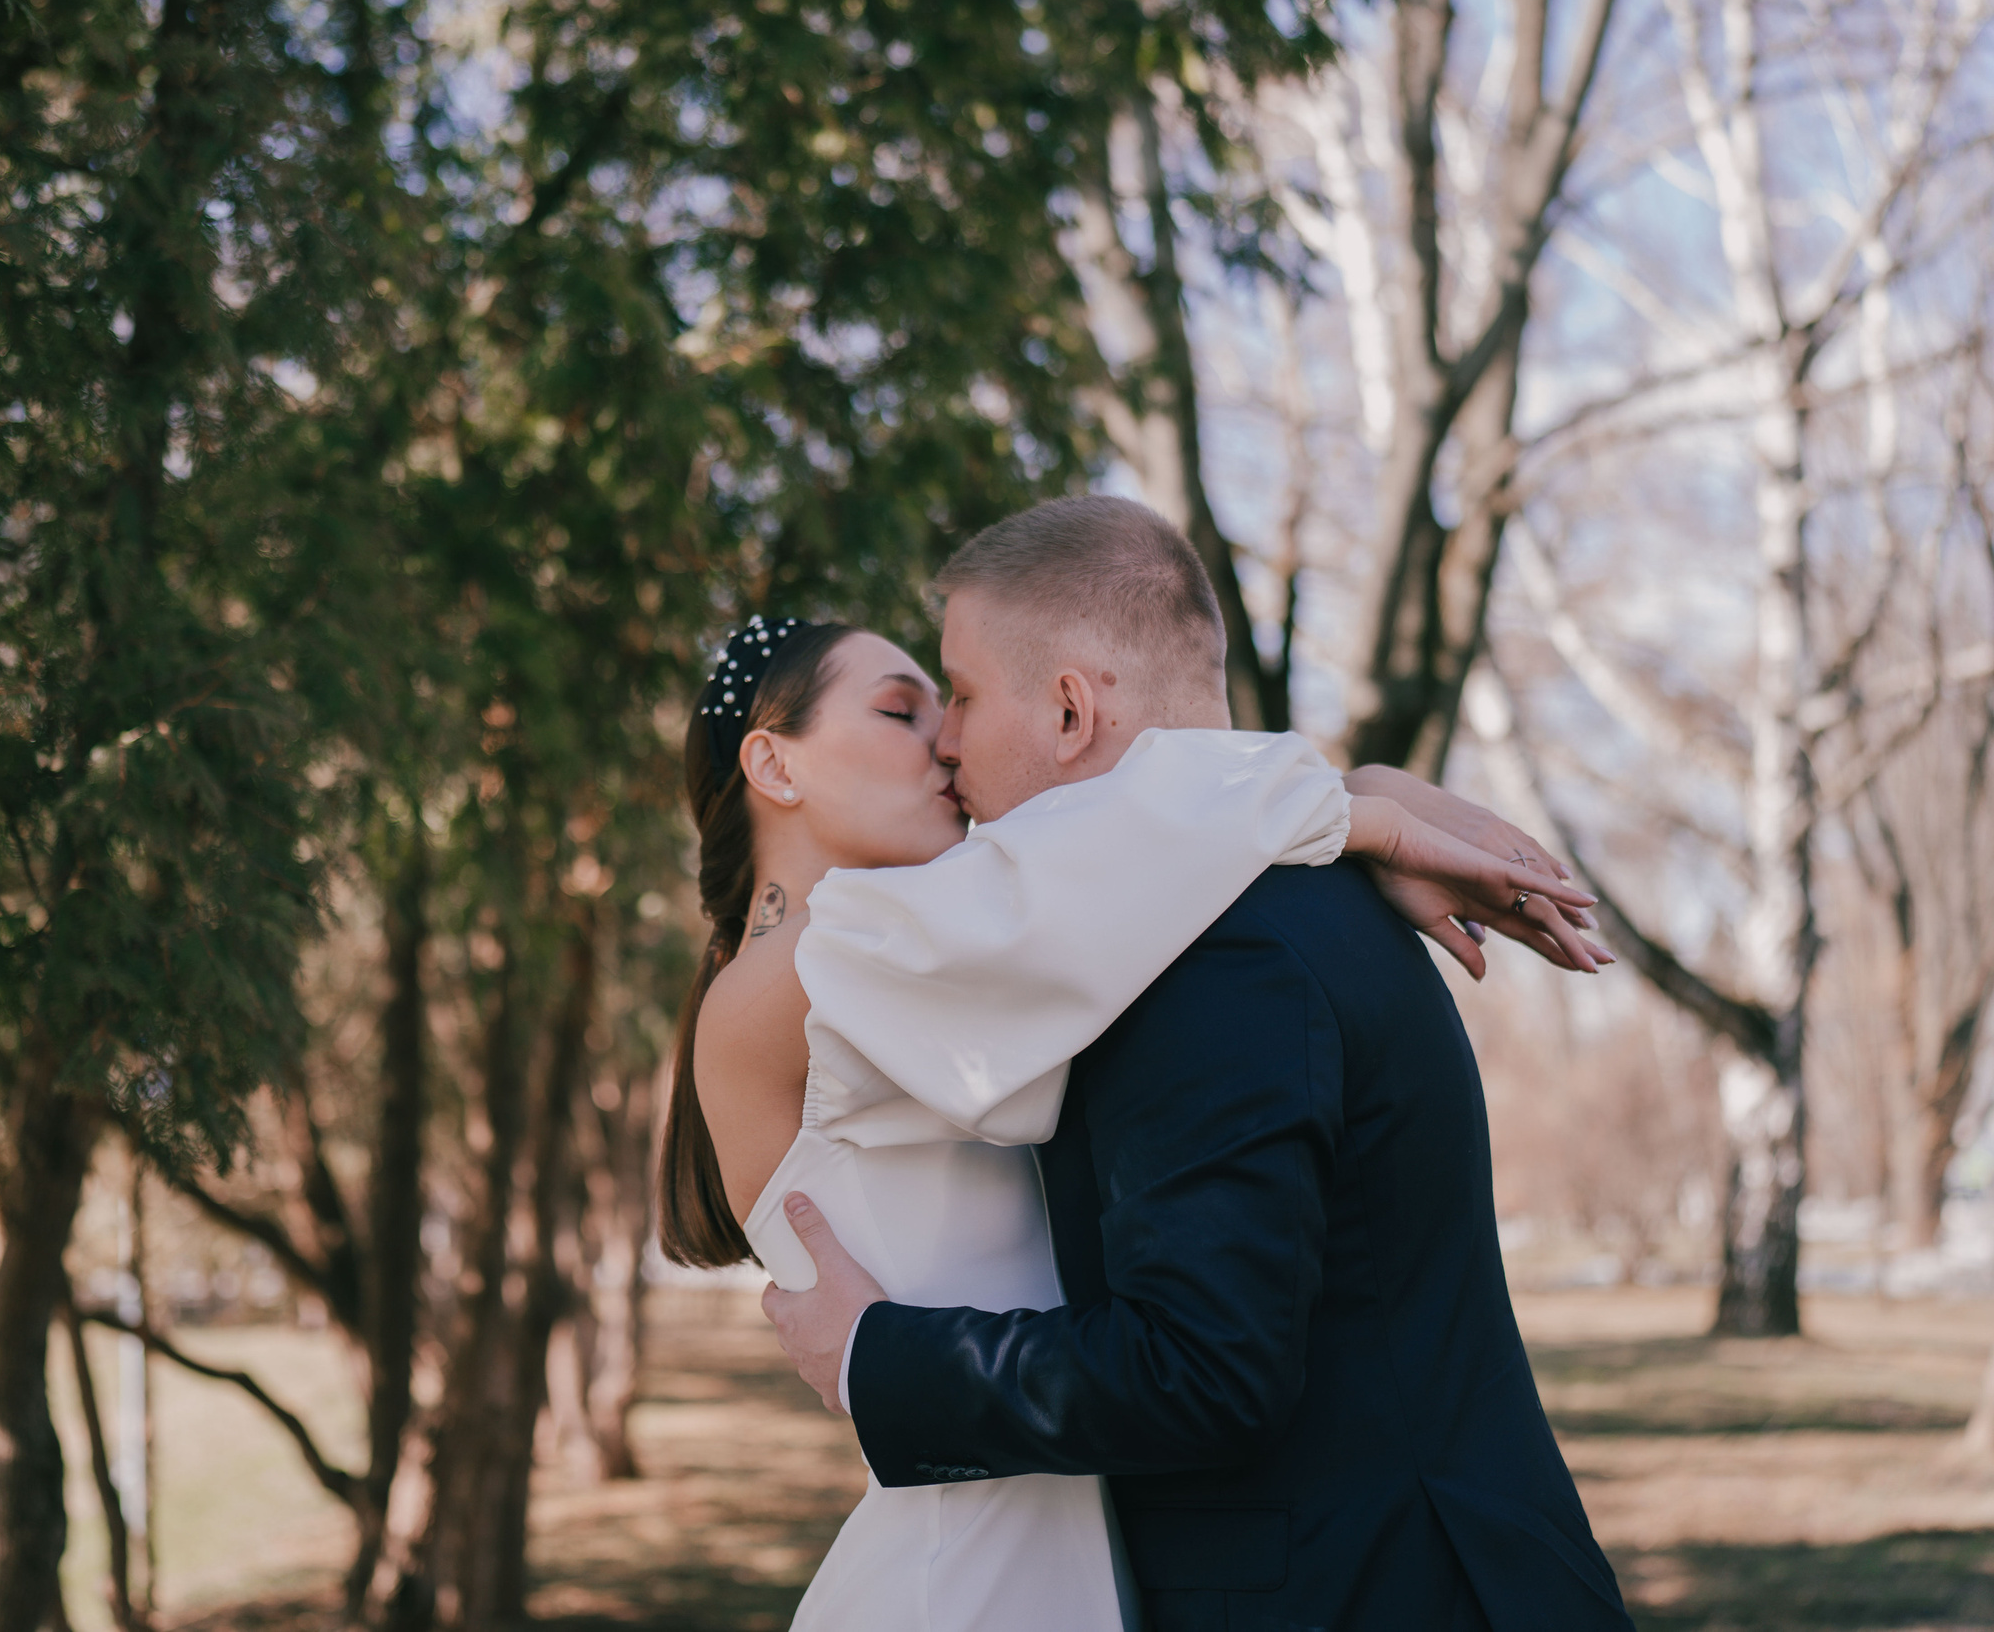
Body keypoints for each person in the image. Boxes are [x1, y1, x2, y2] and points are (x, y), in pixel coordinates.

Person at [665, 500, 1624, 1631]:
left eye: (956, 696)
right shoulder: (811, 973)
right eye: (904, 706)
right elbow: (1092, 856)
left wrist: (1350, 802)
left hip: (1345, 1580)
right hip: (984, 1576)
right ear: (771, 762)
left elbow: (1099, 860)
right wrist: (1349, 805)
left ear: (1069, 708)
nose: (946, 740)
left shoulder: (1187, 946)